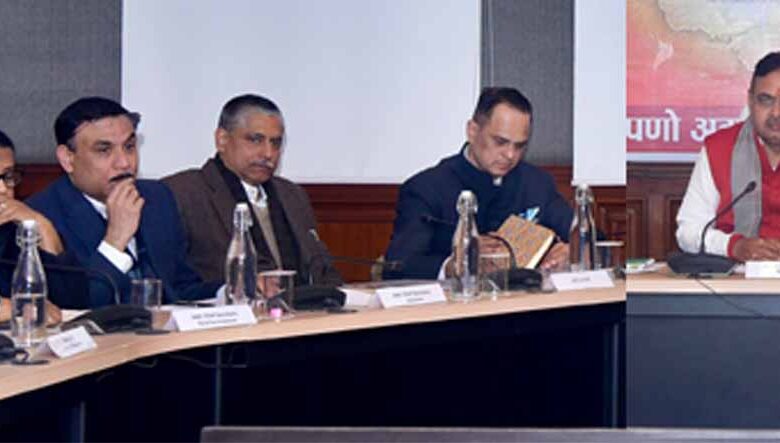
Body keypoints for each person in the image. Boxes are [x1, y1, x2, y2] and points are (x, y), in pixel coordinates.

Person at [27, 97, 222, 308]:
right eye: (104, 150)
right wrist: (116, 240)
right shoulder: (41, 218)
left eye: (129, 147)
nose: (124, 163)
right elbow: (76, 308)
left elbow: (181, 289)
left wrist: (229, 291)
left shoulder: (157, 196)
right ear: (67, 159)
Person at [384, 87, 573, 280]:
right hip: (457, 298)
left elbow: (581, 234)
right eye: (500, 142)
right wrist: (455, 265)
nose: (510, 155)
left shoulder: (537, 183)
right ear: (472, 131)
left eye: (519, 146)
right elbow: (398, 265)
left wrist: (570, 252)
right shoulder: (427, 188)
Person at [164, 94, 342, 286]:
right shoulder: (182, 193)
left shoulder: (292, 195)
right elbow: (175, 284)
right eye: (256, 140)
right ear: (222, 140)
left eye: (275, 143)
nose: (268, 154)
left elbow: (323, 270)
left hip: (300, 304)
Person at [677, 51, 780, 261]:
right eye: (766, 100)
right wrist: (733, 246)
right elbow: (688, 232)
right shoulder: (720, 148)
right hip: (736, 275)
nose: (776, 113)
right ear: (750, 101)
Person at [0, 130, 63, 322]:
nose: (3, 189)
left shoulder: (11, 231)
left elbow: (69, 302)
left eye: (7, 176)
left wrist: (41, 225)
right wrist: (18, 307)